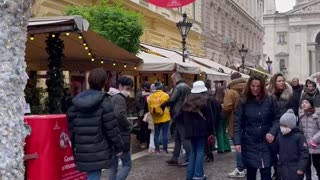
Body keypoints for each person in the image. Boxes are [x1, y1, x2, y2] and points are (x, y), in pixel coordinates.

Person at [67, 68, 123, 180]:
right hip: (99, 145)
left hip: (81, 146)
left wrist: (74, 143)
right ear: (104, 82)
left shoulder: (76, 101)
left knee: (91, 174)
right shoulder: (104, 101)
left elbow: (71, 126)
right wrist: (119, 146)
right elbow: (111, 127)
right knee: (94, 174)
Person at [234, 74, 280, 180]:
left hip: (266, 142)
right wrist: (237, 141)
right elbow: (238, 122)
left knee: (266, 171)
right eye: (253, 86)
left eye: (258, 86)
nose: (255, 89)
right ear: (249, 86)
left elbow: (277, 119)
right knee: (251, 172)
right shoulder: (243, 101)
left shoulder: (270, 100)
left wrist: (272, 132)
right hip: (249, 141)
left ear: (262, 87)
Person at [178, 81, 220, 180]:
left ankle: (190, 175)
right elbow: (210, 118)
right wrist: (212, 132)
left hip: (191, 132)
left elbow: (179, 116)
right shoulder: (206, 101)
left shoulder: (187, 101)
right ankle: (198, 175)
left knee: (194, 152)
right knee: (200, 151)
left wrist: (186, 125)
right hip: (202, 131)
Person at [267, 73, 294, 180]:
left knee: (285, 153)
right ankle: (277, 171)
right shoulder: (268, 96)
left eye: (283, 80)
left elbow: (294, 110)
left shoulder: (289, 95)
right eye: (279, 81)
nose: (282, 82)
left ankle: (283, 172)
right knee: (272, 151)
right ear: (274, 82)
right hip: (272, 128)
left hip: (286, 128)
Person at [163, 72, 192, 166]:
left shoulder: (178, 87)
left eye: (172, 80)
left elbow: (172, 100)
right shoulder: (187, 87)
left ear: (175, 79)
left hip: (178, 113)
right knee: (178, 137)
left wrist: (163, 105)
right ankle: (175, 157)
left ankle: (190, 157)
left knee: (183, 138)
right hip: (183, 113)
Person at [108, 76, 134, 180]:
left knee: (113, 165)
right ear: (120, 86)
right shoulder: (119, 98)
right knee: (127, 164)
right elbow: (119, 114)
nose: (128, 92)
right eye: (127, 89)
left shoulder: (110, 96)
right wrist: (128, 125)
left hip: (111, 133)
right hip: (120, 134)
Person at [223, 72, 247, 178]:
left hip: (235, 121)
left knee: (238, 146)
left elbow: (227, 107)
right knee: (245, 146)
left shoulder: (231, 92)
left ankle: (240, 168)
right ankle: (245, 167)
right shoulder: (247, 89)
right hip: (248, 121)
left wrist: (221, 106)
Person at [276, 109, 309, 180]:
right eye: (281, 125)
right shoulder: (280, 136)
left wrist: (301, 168)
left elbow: (304, 153)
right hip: (282, 169)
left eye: (284, 125)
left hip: (295, 170)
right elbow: (277, 149)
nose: (282, 127)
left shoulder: (299, 137)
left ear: (291, 125)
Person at [299, 97, 320, 180]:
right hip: (306, 146)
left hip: (316, 146)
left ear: (311, 105)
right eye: (302, 102)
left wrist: (314, 140)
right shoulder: (301, 116)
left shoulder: (317, 116)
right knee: (306, 166)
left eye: (306, 102)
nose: (304, 104)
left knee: (317, 165)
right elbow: (300, 131)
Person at [148, 81, 171, 154]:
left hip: (155, 118)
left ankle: (157, 150)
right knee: (165, 134)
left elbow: (149, 109)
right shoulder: (165, 95)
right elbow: (169, 105)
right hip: (165, 117)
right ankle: (164, 150)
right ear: (161, 87)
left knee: (156, 135)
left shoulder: (151, 97)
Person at [215, 86, 231, 153]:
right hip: (225, 117)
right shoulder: (226, 99)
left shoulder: (215, 100)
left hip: (218, 118)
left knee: (219, 132)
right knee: (225, 132)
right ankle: (227, 147)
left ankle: (221, 148)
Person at [135, 82, 151, 149]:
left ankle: (146, 142)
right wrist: (141, 108)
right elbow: (138, 102)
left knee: (146, 128)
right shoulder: (140, 93)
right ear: (145, 87)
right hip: (143, 112)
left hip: (146, 112)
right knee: (143, 128)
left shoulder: (144, 92)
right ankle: (142, 142)